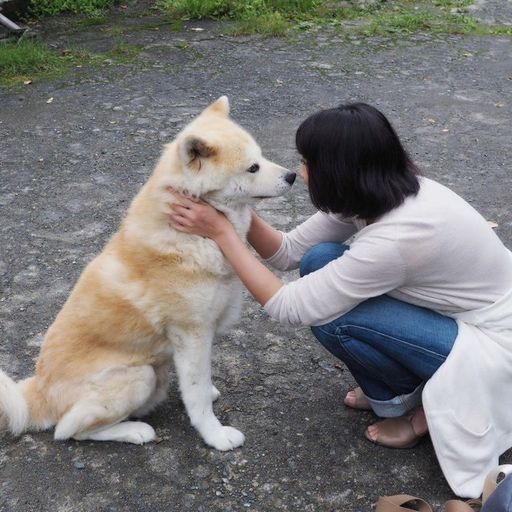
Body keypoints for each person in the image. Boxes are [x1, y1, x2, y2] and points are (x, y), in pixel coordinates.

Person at [169, 102, 512, 498]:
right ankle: (405, 385)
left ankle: (404, 407)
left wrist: (222, 234)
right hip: (464, 315)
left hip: (496, 346)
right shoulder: (378, 190)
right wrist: (233, 205)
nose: (301, 171)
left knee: (333, 317)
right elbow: (288, 252)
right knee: (319, 260)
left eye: (308, 161)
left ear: (340, 170)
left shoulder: (399, 238)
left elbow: (288, 306)